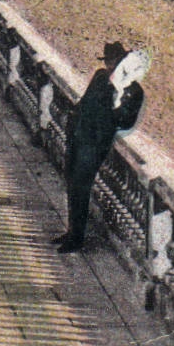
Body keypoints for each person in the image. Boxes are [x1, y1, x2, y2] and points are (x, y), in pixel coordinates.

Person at [56, 44, 150, 254]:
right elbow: (85, 102)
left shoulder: (134, 91)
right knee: (72, 184)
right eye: (107, 61)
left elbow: (125, 121)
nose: (108, 65)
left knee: (81, 187)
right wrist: (73, 123)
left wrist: (115, 96)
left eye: (112, 61)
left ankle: (77, 238)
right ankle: (71, 232)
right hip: (78, 135)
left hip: (95, 144)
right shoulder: (100, 77)